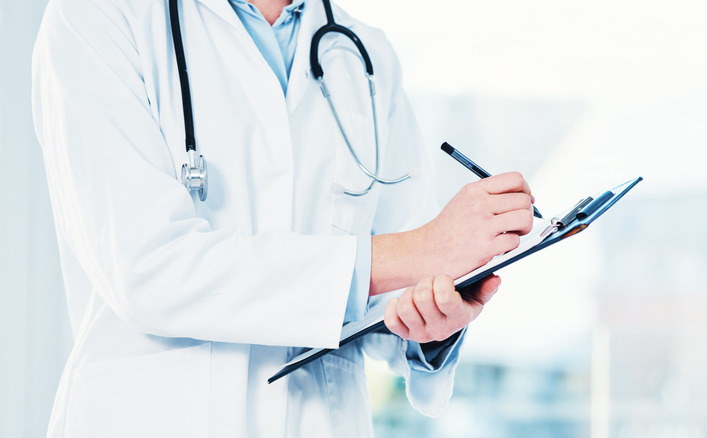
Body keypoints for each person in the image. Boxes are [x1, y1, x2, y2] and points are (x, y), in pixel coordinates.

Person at [31, 0, 536, 436]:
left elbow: (394, 287)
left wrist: (433, 320)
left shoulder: (365, 55)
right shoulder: (96, 19)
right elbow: (147, 267)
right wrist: (418, 253)